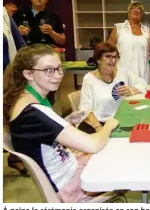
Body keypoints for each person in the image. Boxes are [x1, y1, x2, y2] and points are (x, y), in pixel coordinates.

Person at [3, 45, 120, 202]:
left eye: (59, 68)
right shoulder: (35, 111)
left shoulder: (23, 100)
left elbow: (38, 134)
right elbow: (93, 144)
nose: (58, 75)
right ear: (28, 74)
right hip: (69, 186)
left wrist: (65, 122)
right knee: (120, 162)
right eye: (48, 70)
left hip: (63, 170)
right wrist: (109, 125)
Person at [78, 41, 147, 134]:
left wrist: (131, 91)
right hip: (97, 123)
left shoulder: (123, 73)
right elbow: (84, 109)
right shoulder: (89, 79)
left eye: (115, 57)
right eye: (108, 56)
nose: (113, 60)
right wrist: (100, 129)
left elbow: (143, 83)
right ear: (98, 59)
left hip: (119, 122)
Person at [3, 6, 27, 176]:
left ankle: (15, 156)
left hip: (6, 76)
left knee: (12, 117)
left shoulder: (4, 15)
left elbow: (20, 45)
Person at [108, 1, 150, 82]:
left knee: (140, 93)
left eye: (139, 9)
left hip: (142, 72)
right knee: (122, 93)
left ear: (142, 15)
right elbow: (108, 50)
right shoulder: (119, 28)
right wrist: (109, 69)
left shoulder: (147, 31)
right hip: (122, 70)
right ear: (128, 12)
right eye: (133, 8)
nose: (136, 10)